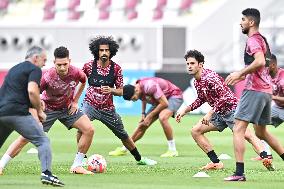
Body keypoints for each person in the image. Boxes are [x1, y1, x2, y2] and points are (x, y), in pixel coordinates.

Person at [0, 46, 95, 175]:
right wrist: (38, 110)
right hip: (48, 109)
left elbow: (84, 81)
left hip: (67, 109)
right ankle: (1, 164)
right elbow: (34, 93)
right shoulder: (47, 76)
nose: (62, 68)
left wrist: (75, 101)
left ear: (70, 61)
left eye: (65, 64)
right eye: (59, 64)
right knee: (24, 138)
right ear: (54, 63)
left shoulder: (76, 73)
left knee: (89, 129)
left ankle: (77, 165)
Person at [175, 49, 269, 171]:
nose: (189, 66)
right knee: (196, 131)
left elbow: (224, 97)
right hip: (219, 112)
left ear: (200, 64)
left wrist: (209, 114)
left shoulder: (210, 77)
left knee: (247, 135)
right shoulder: (197, 81)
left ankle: (266, 157)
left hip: (232, 110)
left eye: (192, 63)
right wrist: (185, 110)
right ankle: (216, 162)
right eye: (187, 64)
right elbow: (201, 99)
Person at [224, 8, 284, 181]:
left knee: (238, 129)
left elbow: (258, 62)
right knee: (261, 133)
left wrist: (238, 73)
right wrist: (242, 75)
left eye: (243, 19)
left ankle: (239, 173)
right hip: (266, 91)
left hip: (255, 90)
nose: (240, 22)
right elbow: (263, 65)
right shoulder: (263, 40)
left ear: (251, 22)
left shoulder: (252, 41)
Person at [81, 35, 156, 165]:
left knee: (123, 134)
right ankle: (80, 159)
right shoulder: (88, 66)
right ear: (96, 51)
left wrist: (111, 90)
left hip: (108, 109)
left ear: (111, 52)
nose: (104, 53)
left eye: (107, 50)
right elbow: (79, 80)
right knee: (82, 128)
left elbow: (121, 91)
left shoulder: (116, 69)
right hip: (89, 105)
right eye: (101, 50)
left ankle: (139, 159)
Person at [0, 46, 64, 186]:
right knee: (42, 140)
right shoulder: (34, 69)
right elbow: (32, 91)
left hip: (2, 113)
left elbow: (11, 92)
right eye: (44, 60)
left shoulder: (14, 69)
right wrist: (39, 111)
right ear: (36, 58)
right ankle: (47, 174)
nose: (44, 64)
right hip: (17, 113)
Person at [109, 77, 183, 157]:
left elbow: (165, 103)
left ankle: (173, 150)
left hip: (173, 96)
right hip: (159, 100)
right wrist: (143, 114)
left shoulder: (150, 86)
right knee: (142, 125)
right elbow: (143, 98)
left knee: (163, 118)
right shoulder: (137, 88)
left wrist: (150, 116)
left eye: (133, 98)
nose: (134, 100)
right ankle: (125, 148)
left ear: (136, 91)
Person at [252, 53, 284, 160]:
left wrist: (272, 97)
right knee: (257, 122)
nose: (264, 67)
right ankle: (267, 154)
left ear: (273, 65)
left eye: (266, 65)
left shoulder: (283, 79)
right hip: (278, 108)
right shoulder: (266, 76)